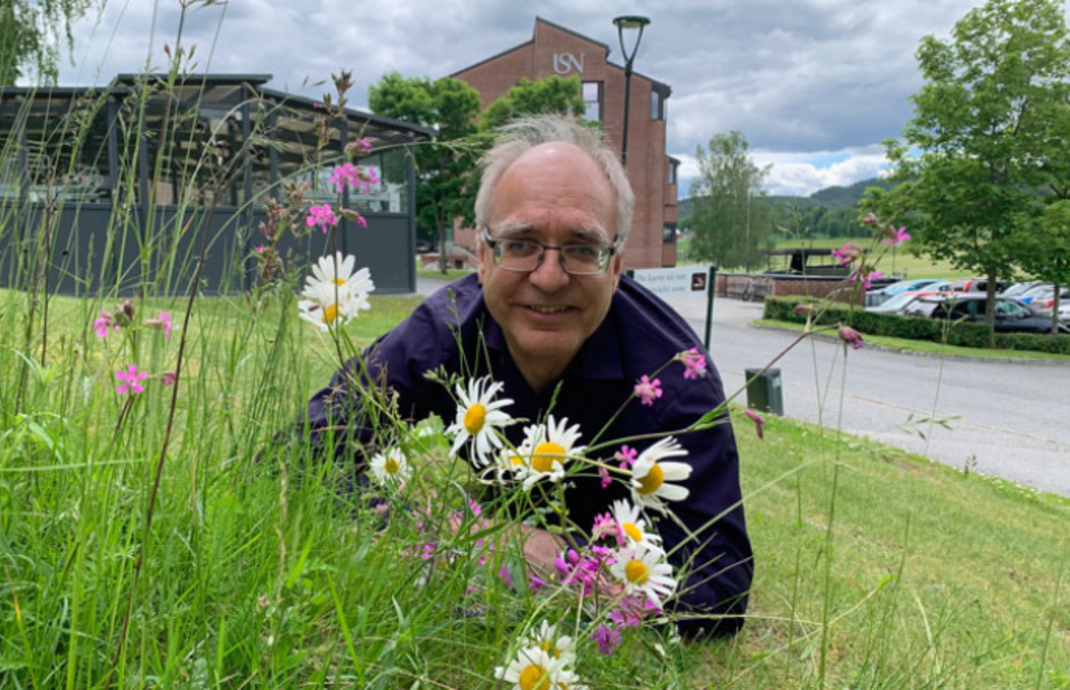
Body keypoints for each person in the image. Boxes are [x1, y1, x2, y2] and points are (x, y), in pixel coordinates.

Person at [308, 115, 753, 638]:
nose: (547, 277)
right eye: (520, 244)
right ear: (481, 256)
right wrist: (434, 529)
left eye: (582, 249)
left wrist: (573, 572)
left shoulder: (673, 374)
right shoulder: (444, 331)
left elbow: (720, 589)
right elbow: (302, 450)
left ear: (615, 265)